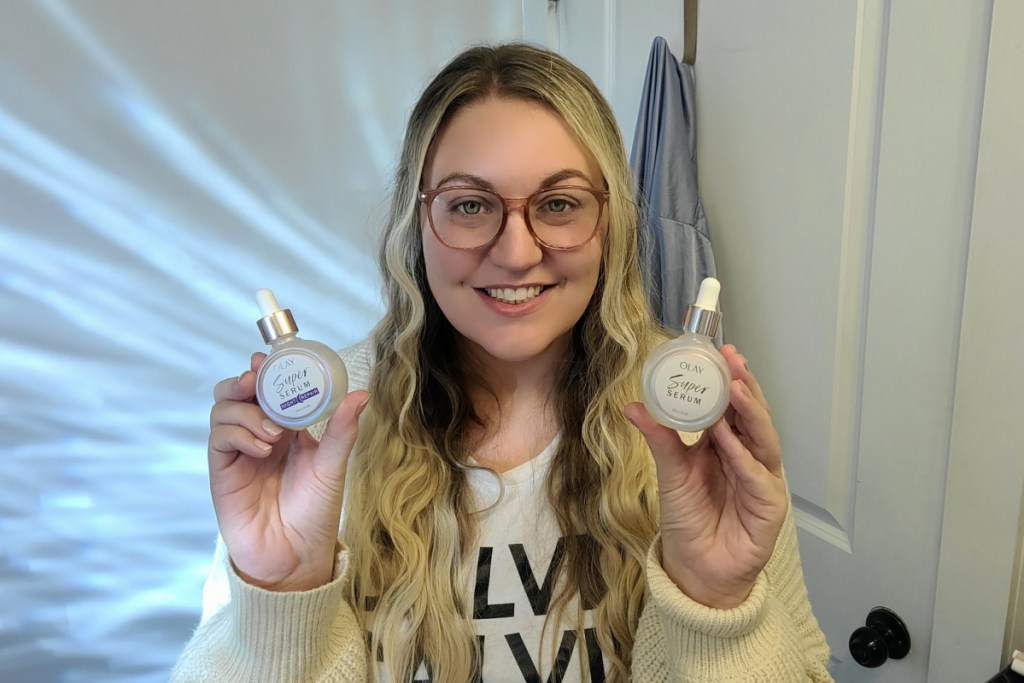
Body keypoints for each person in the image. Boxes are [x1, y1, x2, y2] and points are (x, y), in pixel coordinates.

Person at [172, 42, 833, 683]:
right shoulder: (315, 433)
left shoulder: (692, 419)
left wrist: (715, 603)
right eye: (469, 204)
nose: (516, 253)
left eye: (559, 203)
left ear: (611, 221)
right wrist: (282, 597)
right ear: (417, 219)